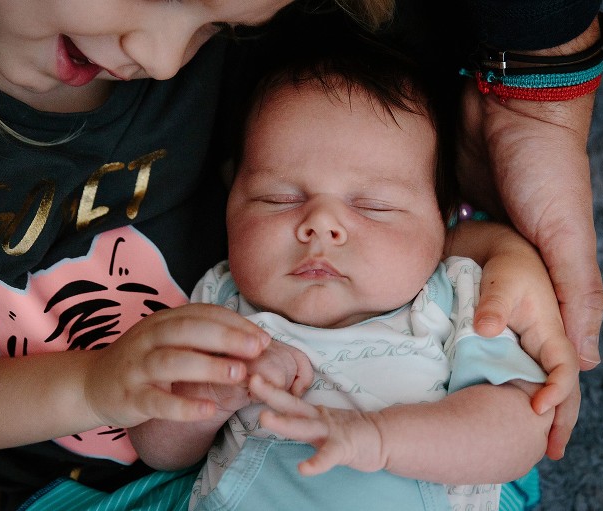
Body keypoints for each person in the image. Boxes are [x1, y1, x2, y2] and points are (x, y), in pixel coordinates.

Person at [0, 0, 603, 509]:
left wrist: (495, 249)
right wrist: (106, 386)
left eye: (219, 25)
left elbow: (401, 215)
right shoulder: (224, 297)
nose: (164, 58)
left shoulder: (262, 70)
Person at [115, 32, 556, 511]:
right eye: (278, 199)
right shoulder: (221, 305)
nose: (320, 225)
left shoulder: (456, 298)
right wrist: (210, 396)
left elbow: (520, 431)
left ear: (443, 221)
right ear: (230, 205)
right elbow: (157, 451)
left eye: (372, 206)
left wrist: (379, 439)